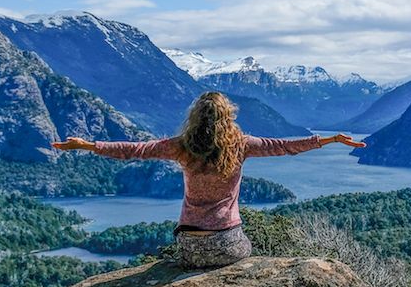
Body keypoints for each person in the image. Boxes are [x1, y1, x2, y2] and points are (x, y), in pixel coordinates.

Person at [51, 91, 365, 269]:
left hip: (188, 246)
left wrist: (90, 146)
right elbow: (284, 146)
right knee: (250, 248)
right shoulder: (241, 145)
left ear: (195, 119)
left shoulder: (180, 146)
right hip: (229, 245)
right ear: (228, 118)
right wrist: (328, 140)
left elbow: (134, 150)